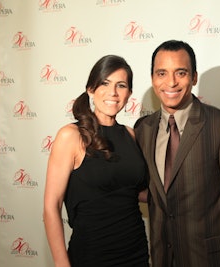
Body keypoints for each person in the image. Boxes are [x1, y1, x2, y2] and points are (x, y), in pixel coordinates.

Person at [134, 40, 220, 267]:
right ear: (153, 78)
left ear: (193, 77)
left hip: (210, 259)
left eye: (180, 73)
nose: (171, 82)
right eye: (161, 73)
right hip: (163, 258)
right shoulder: (143, 128)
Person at [44, 55, 149, 267]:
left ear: (129, 94)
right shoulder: (71, 135)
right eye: (105, 83)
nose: (113, 92)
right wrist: (62, 264)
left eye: (121, 85)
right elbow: (51, 206)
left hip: (135, 251)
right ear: (91, 89)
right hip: (93, 253)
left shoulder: (131, 134)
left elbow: (131, 191)